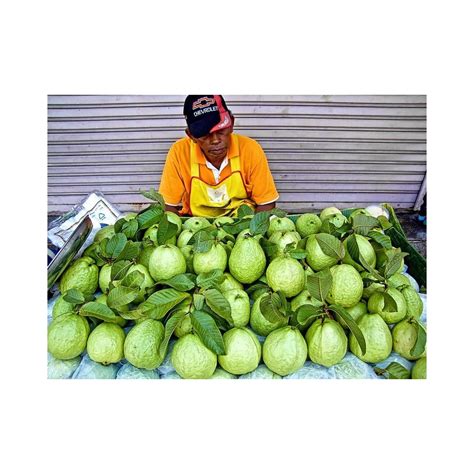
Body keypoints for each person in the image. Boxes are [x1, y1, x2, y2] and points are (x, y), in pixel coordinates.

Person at [158, 95, 279, 217]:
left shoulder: (250, 149)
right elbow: (168, 206)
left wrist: (250, 233)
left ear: (231, 124)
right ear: (191, 135)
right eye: (205, 134)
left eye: (221, 131)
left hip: (243, 224)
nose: (215, 140)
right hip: (196, 226)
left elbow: (266, 204)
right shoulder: (180, 152)